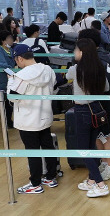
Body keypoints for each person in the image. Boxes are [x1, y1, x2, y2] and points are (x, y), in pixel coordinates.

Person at [8, 44, 57, 194]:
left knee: (32, 151)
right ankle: (50, 177)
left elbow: (12, 98)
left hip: (28, 120)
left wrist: (11, 80)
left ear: (20, 58)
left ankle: (35, 183)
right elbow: (54, 86)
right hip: (45, 115)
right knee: (48, 147)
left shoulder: (21, 76)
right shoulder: (47, 69)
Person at [66, 38, 110, 198]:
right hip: (97, 109)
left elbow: (66, 76)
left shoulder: (75, 69)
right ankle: (92, 180)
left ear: (81, 52)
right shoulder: (99, 68)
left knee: (83, 149)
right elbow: (106, 87)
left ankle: (100, 184)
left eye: (76, 50)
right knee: (91, 146)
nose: (74, 52)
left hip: (82, 110)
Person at [78, 29, 110, 181]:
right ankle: (104, 162)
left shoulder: (97, 60)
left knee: (106, 136)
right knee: (99, 136)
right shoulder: (106, 55)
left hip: (102, 105)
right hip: (104, 104)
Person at [0, 31, 15, 128]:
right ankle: (7, 122)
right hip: (2, 80)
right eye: (9, 38)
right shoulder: (0, 51)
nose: (12, 40)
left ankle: (8, 121)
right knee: (5, 103)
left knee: (8, 102)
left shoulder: (10, 51)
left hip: (9, 80)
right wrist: (13, 73)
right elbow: (3, 65)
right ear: (3, 40)